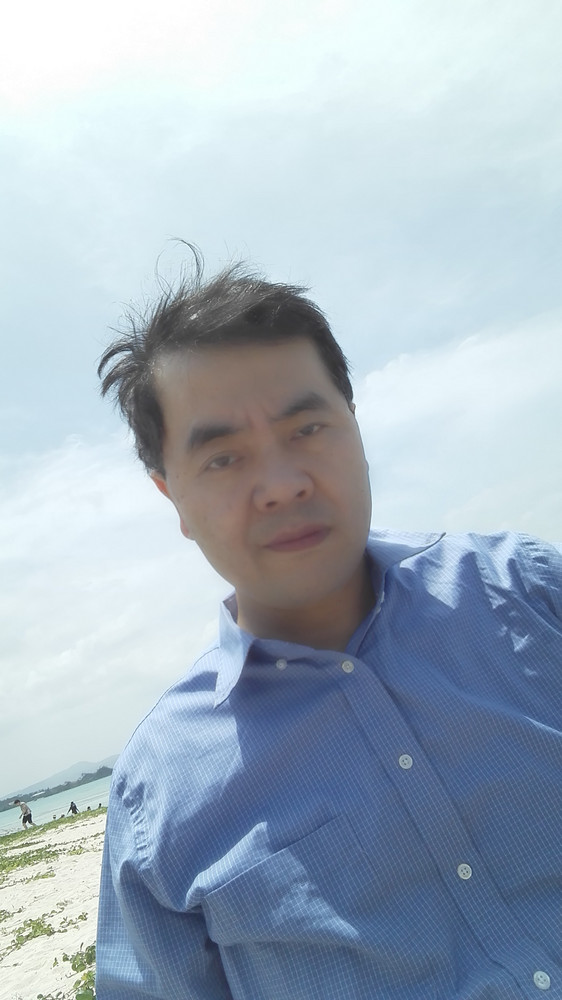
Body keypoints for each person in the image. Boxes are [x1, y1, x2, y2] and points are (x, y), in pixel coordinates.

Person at [95, 254, 562, 1000]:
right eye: (223, 458)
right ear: (171, 496)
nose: (283, 485)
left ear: (355, 426)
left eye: (308, 427)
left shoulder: (528, 593)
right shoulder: (158, 795)